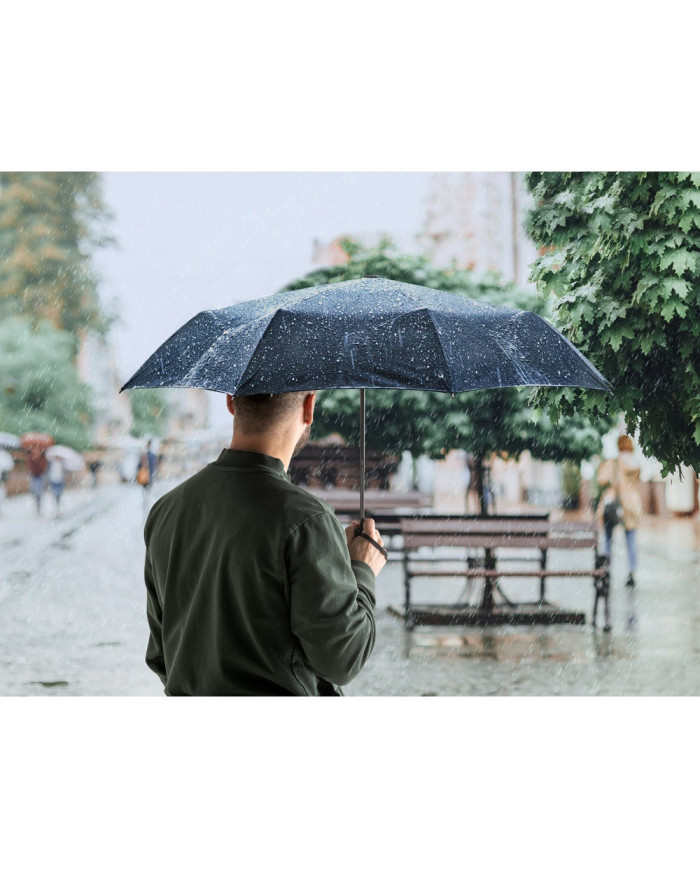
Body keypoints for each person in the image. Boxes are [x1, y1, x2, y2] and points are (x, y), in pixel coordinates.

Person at [143, 391, 386, 696]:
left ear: (231, 402)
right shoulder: (306, 520)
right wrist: (361, 569)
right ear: (309, 407)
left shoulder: (168, 509)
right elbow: (342, 659)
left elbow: (161, 655)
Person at [597, 434, 643, 587]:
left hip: (615, 503)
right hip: (631, 503)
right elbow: (638, 479)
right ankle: (631, 572)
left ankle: (607, 569)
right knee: (630, 539)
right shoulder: (635, 462)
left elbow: (601, 479)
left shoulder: (614, 462)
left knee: (608, 536)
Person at [25, 447, 48, 516]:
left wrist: (37, 461)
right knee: (34, 492)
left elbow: (42, 468)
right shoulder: (30, 458)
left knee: (39, 493)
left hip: (40, 477)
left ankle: (39, 508)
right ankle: (37, 507)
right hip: (34, 477)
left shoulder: (42, 459)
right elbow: (30, 467)